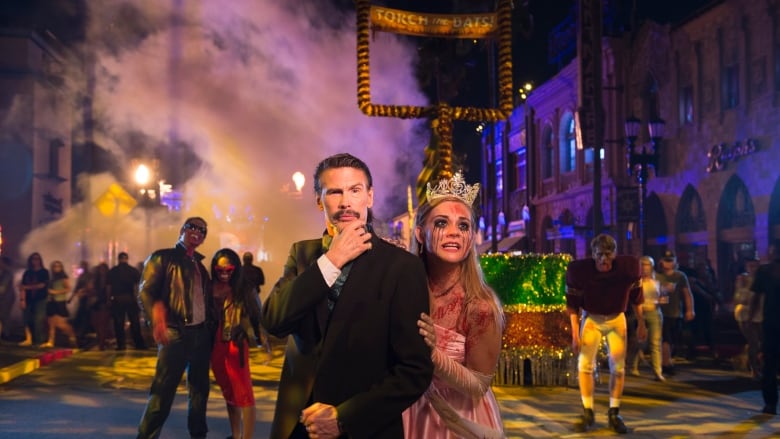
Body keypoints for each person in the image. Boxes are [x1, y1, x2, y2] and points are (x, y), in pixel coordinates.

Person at [261, 153, 433, 439]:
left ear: (370, 196)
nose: (345, 202)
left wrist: (343, 418)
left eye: (355, 190)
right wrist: (332, 259)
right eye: (335, 192)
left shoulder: (402, 267)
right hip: (297, 425)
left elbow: (414, 371)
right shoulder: (302, 254)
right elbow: (273, 321)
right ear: (319, 200)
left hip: (363, 428)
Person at [403, 172, 505, 438]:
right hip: (404, 411)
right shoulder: (402, 292)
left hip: (458, 420)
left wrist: (433, 354)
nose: (453, 233)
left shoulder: (480, 306)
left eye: (463, 226)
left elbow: (479, 385)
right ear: (420, 234)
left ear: (471, 238)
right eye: (441, 223)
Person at [136, 217, 215, 439]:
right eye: (193, 227)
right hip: (174, 333)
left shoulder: (200, 267)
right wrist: (156, 317)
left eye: (203, 230)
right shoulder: (162, 257)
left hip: (200, 335)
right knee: (162, 393)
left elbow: (207, 303)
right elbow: (145, 292)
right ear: (182, 230)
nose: (197, 232)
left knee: (200, 393)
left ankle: (198, 435)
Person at [566, 233, 646, 434]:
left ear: (615, 254)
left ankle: (614, 412)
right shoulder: (580, 271)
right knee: (584, 365)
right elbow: (573, 306)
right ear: (593, 254)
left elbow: (637, 297)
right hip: (592, 318)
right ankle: (588, 411)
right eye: (600, 254)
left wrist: (642, 323)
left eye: (609, 255)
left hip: (616, 318)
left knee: (618, 367)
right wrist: (575, 334)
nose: (604, 259)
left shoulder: (628, 269)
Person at [210, 248, 260, 439]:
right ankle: (235, 434)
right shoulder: (208, 286)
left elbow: (257, 315)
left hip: (236, 343)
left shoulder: (244, 288)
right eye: (219, 269)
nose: (223, 274)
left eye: (228, 270)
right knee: (228, 393)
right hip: (215, 345)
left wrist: (264, 344)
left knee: (244, 392)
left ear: (236, 269)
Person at [750, 240, 780, 415]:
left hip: (771, 323)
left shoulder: (765, 271)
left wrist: (752, 317)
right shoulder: (766, 271)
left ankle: (770, 404)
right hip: (771, 322)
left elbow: (755, 297)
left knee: (769, 365)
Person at [627, 256, 665, 381]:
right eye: (642, 265)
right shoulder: (636, 281)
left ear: (651, 266)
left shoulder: (658, 279)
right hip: (640, 314)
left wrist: (660, 301)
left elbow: (664, 295)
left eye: (647, 265)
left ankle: (657, 372)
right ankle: (633, 366)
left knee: (655, 343)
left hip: (654, 312)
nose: (644, 268)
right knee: (639, 341)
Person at [657, 250, 695, 375]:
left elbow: (687, 293)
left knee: (672, 339)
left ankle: (667, 361)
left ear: (674, 262)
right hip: (661, 312)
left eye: (670, 261)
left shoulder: (680, 276)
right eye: (666, 261)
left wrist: (690, 310)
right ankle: (666, 363)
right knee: (665, 339)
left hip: (675, 312)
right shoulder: (656, 276)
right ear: (661, 261)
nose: (668, 264)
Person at [107, 252, 146, 350]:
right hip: (130, 299)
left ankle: (121, 345)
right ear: (127, 259)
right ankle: (138, 344)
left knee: (118, 323)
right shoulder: (133, 271)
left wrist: (109, 299)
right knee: (134, 322)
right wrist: (138, 298)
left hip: (117, 299)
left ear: (118, 259)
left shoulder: (113, 271)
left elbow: (108, 287)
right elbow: (138, 286)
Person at [733, 254, 762, 378]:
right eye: (750, 265)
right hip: (745, 315)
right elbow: (739, 298)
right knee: (753, 342)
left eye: (755, 265)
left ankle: (751, 362)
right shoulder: (743, 279)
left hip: (760, 315)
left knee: (759, 342)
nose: (753, 268)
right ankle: (753, 369)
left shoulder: (762, 279)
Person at [242, 251, 272, 360]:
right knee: (257, 319)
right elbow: (262, 281)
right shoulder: (257, 270)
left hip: (242, 298)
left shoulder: (239, 270)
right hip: (254, 297)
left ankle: (245, 343)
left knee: (241, 321)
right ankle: (260, 341)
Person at [41, 260, 77, 348]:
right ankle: (51, 341)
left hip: (60, 302)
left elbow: (68, 289)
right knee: (51, 323)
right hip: (51, 302)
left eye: (58, 266)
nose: (56, 268)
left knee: (61, 324)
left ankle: (72, 337)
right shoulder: (51, 278)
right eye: (54, 266)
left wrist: (55, 292)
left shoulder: (64, 277)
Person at [18, 252, 49, 346]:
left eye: (37, 259)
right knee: (26, 319)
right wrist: (22, 300)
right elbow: (22, 287)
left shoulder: (44, 272)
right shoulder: (27, 272)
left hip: (40, 299)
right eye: (33, 259)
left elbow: (42, 285)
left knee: (38, 319)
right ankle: (28, 339)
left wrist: (27, 287)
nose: (35, 261)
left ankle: (39, 340)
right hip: (28, 299)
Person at [0, 256, 15, 341]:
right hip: (3, 297)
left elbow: (2, 288)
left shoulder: (7, 274)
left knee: (4, 316)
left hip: (6, 298)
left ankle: (6, 334)